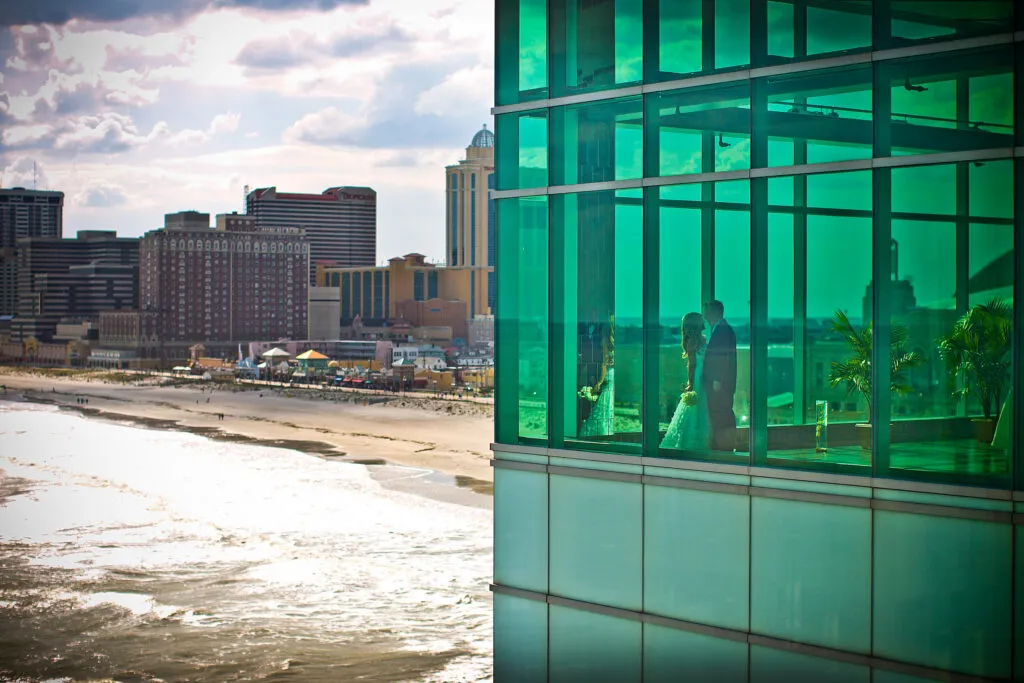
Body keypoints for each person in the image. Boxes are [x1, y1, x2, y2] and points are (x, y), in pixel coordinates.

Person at [661, 312, 711, 452]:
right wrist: (690, 384)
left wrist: (691, 383)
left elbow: (692, 365)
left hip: (700, 377)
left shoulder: (693, 341)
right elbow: (692, 365)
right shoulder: (699, 340)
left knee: (697, 410)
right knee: (699, 410)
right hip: (699, 378)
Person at [702, 299, 737, 451]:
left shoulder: (723, 330)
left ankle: (723, 447)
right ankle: (723, 446)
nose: (705, 316)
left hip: (719, 385)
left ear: (715, 312)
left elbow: (722, 358)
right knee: (721, 413)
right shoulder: (722, 329)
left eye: (707, 312)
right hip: (721, 384)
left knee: (721, 414)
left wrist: (717, 380)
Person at [579, 316, 615, 437]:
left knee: (604, 406)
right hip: (614, 375)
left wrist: (599, 382)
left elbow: (605, 363)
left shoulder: (606, 340)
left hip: (609, 374)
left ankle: (603, 432)